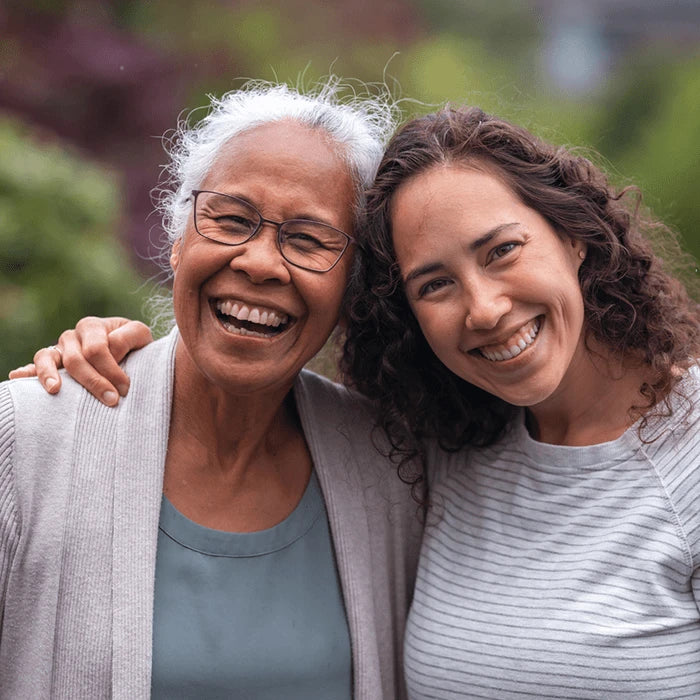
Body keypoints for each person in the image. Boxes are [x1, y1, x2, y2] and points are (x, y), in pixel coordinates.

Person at [18, 107, 700, 697]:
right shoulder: (445, 450)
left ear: (574, 234)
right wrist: (88, 357)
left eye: (503, 250)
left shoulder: (682, 458)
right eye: (434, 285)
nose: (486, 309)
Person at [0, 80, 424, 700]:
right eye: (230, 219)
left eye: (308, 239)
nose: (258, 262)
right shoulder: (25, 440)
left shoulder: (394, 469)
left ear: (351, 291)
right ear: (178, 242)